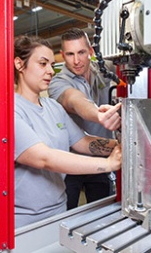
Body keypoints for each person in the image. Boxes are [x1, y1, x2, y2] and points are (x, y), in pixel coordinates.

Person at [13, 35, 121, 228]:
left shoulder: (53, 107)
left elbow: (83, 142)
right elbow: (44, 158)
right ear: (19, 64)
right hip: (25, 220)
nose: (50, 71)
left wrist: (126, 145)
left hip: (59, 212)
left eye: (52, 65)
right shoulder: (10, 110)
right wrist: (109, 164)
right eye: (42, 64)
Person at [48, 28, 121, 210]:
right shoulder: (58, 82)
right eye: (70, 54)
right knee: (68, 215)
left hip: (101, 159)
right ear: (62, 55)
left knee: (103, 212)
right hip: (71, 163)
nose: (76, 60)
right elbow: (74, 100)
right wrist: (98, 114)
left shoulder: (103, 71)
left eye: (81, 52)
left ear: (90, 51)